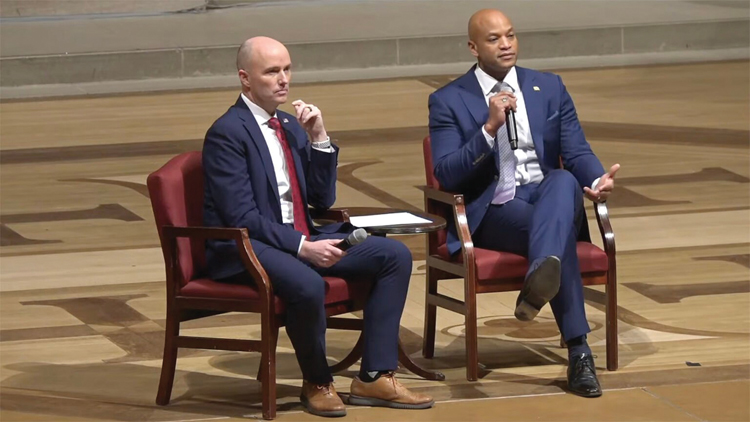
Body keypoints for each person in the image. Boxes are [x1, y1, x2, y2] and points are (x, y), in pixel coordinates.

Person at [202, 36, 434, 417]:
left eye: (287, 69)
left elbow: (321, 200)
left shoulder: (291, 126)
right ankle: (317, 382)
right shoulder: (228, 132)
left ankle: (375, 375)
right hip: (245, 246)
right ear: (245, 78)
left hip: (298, 238)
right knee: (306, 283)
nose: (283, 79)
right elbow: (241, 217)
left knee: (393, 255)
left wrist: (319, 138)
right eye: (272, 71)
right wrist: (301, 247)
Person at [428, 9, 620, 398]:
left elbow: (575, 150)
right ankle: (579, 352)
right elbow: (447, 174)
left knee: (565, 178)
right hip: (494, 208)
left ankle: (540, 284)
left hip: (547, 194)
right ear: (473, 47)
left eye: (511, 36)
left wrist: (597, 179)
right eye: (494, 38)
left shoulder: (548, 87)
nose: (506, 45)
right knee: (559, 235)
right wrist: (488, 129)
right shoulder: (448, 100)